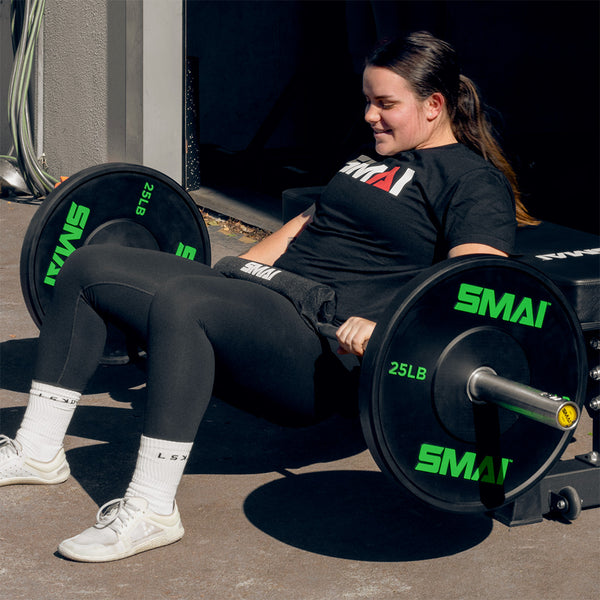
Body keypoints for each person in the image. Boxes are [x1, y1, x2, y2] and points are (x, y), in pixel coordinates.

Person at [0, 31, 536, 562]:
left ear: (434, 105)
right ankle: (39, 448)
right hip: (274, 301)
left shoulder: (470, 180)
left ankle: (150, 509)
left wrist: (390, 327)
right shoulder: (371, 159)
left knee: (187, 301)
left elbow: (472, 286)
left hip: (321, 351)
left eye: (386, 104)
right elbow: (305, 225)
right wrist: (242, 274)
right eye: (368, 101)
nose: (371, 115)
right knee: (89, 265)